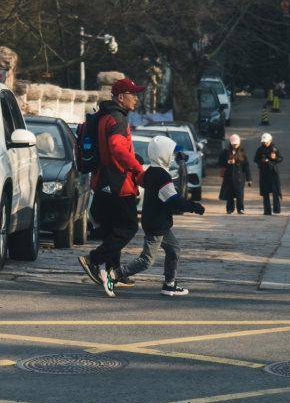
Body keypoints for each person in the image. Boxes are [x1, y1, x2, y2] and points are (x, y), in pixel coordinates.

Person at [77, 77, 145, 298]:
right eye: (132, 94)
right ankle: (94, 259)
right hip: (118, 182)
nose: (136, 98)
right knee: (128, 227)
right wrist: (136, 167)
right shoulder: (117, 118)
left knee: (113, 227)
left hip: (104, 179)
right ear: (121, 97)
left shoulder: (107, 115)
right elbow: (116, 147)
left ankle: (115, 272)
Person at [114, 134, 205, 297]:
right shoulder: (162, 176)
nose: (172, 156)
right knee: (146, 260)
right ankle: (115, 274)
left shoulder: (152, 172)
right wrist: (195, 207)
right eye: (170, 152)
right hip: (156, 224)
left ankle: (169, 284)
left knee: (174, 249)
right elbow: (173, 200)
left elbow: (142, 180)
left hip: (158, 222)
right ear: (163, 154)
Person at [219, 131, 251, 214]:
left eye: (236, 144)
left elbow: (246, 166)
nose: (235, 146)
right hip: (229, 177)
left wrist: (249, 179)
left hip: (239, 177)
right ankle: (229, 209)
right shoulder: (225, 152)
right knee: (229, 194)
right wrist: (227, 162)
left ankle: (240, 208)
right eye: (233, 144)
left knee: (240, 194)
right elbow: (220, 162)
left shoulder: (242, 152)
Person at [254, 131, 283, 214]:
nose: (265, 143)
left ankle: (277, 209)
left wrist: (274, 158)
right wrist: (261, 161)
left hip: (273, 172)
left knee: (275, 191)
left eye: (266, 142)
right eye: (263, 142)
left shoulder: (274, 149)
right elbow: (255, 159)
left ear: (270, 141)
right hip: (263, 173)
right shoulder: (259, 149)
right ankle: (267, 211)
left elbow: (281, 159)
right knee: (265, 193)